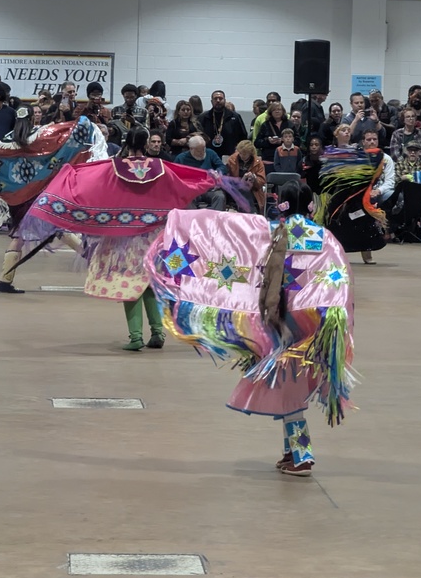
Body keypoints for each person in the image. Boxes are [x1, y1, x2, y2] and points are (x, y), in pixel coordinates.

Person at [146, 180, 356, 477]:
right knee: (289, 387)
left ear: (280, 203)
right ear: (311, 205)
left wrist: (180, 222)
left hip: (284, 321)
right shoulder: (325, 238)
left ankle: (302, 455)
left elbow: (223, 230)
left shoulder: (269, 232)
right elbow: (340, 279)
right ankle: (291, 452)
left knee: (288, 391)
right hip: (316, 319)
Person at [19, 127, 238, 348]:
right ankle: (157, 333)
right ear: (146, 144)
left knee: (128, 284)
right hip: (154, 235)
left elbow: (90, 185)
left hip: (123, 235)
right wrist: (208, 178)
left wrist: (69, 174)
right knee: (151, 283)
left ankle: (135, 337)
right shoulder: (161, 167)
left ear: (127, 142)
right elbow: (183, 184)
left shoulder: (112, 168)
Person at [0, 109, 105, 293]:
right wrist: (84, 122)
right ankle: (99, 264)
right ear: (32, 118)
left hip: (17, 199)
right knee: (38, 233)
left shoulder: (6, 140)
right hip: (39, 196)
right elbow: (65, 137)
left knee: (47, 231)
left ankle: (4, 281)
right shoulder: (41, 135)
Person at [317, 124, 386, 265]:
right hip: (339, 192)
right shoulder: (331, 152)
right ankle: (331, 254)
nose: (347, 132)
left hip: (357, 193)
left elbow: (368, 169)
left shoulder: (357, 150)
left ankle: (367, 253)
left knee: (365, 222)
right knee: (334, 223)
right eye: (343, 130)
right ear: (336, 134)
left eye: (349, 130)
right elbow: (330, 173)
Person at [174, 135, 227, 210]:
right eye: (199, 151)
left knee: (220, 197)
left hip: (209, 189)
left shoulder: (210, 153)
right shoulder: (181, 158)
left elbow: (222, 167)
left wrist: (217, 172)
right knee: (186, 200)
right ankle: (194, 220)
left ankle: (215, 220)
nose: (202, 153)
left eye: (203, 149)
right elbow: (174, 176)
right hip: (191, 190)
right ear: (191, 149)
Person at [198, 90, 247, 159]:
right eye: (215, 99)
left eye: (220, 98)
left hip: (229, 155)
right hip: (208, 155)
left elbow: (243, 136)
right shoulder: (203, 117)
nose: (218, 100)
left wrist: (238, 150)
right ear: (211, 101)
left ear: (225, 100)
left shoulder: (234, 117)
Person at [226, 139, 266, 214]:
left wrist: (254, 178)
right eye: (240, 153)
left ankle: (248, 212)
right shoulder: (232, 160)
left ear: (250, 153)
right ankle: (251, 213)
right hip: (234, 188)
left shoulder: (258, 162)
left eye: (244, 154)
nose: (242, 156)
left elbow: (262, 181)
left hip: (253, 190)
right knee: (243, 189)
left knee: (245, 190)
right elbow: (227, 177)